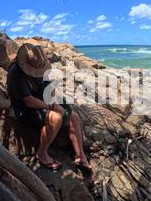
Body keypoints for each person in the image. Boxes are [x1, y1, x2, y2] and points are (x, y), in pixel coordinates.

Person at [7, 43, 92, 172]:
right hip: (25, 108)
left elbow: (49, 88)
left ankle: (80, 156)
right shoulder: (16, 73)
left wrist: (55, 103)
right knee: (56, 119)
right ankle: (42, 154)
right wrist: (51, 106)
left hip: (43, 99)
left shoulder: (40, 67)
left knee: (73, 116)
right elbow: (29, 101)